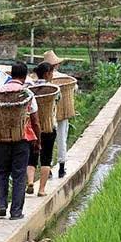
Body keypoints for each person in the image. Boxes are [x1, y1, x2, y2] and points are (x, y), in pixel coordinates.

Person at [0, 61, 40, 220]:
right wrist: (38, 140)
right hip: (21, 138)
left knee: (2, 172)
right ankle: (16, 212)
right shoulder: (27, 94)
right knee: (19, 174)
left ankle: (2, 204)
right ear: (25, 76)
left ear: (11, 75)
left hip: (1, 138)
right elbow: (35, 121)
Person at [26, 61, 59, 196]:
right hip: (49, 127)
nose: (52, 75)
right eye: (51, 73)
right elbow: (58, 101)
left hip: (34, 128)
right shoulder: (54, 89)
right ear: (47, 74)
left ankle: (30, 182)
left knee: (32, 157)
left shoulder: (31, 90)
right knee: (46, 158)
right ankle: (41, 190)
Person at [42, 50, 72, 178]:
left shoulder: (41, 79)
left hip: (47, 115)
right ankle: (61, 169)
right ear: (56, 65)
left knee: (46, 143)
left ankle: (47, 170)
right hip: (62, 112)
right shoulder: (64, 77)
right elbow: (74, 87)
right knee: (61, 139)